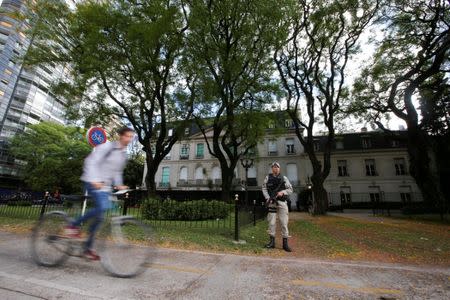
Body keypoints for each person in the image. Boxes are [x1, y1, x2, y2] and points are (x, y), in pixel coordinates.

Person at [65, 127, 134, 260]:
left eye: (131, 137)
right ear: (121, 136)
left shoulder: (122, 155)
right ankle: (72, 225)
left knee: (100, 217)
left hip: (105, 187)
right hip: (92, 181)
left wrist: (119, 184)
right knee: (102, 209)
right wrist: (95, 180)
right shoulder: (107, 147)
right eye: (127, 136)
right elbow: (90, 161)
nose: (129, 139)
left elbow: (117, 172)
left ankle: (87, 249)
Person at [262, 162, 293, 252]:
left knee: (284, 223)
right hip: (272, 202)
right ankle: (272, 242)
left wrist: (282, 192)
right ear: (272, 169)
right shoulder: (268, 178)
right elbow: (264, 188)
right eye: (274, 167)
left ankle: (285, 244)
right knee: (271, 222)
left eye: (277, 167)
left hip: (282, 202)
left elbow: (290, 189)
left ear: (279, 169)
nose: (275, 168)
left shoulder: (284, 178)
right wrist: (268, 198)